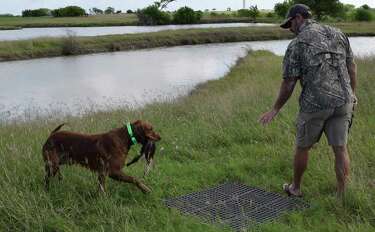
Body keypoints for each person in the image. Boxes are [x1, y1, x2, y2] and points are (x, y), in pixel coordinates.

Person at [259, 4, 357, 197]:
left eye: (289, 24)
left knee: (302, 147)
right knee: (340, 148)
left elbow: (289, 83)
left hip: (315, 103)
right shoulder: (338, 33)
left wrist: (275, 109)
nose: (290, 29)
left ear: (298, 18)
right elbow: (351, 66)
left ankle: (295, 188)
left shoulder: (297, 44)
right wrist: (352, 94)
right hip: (344, 101)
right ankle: (342, 194)